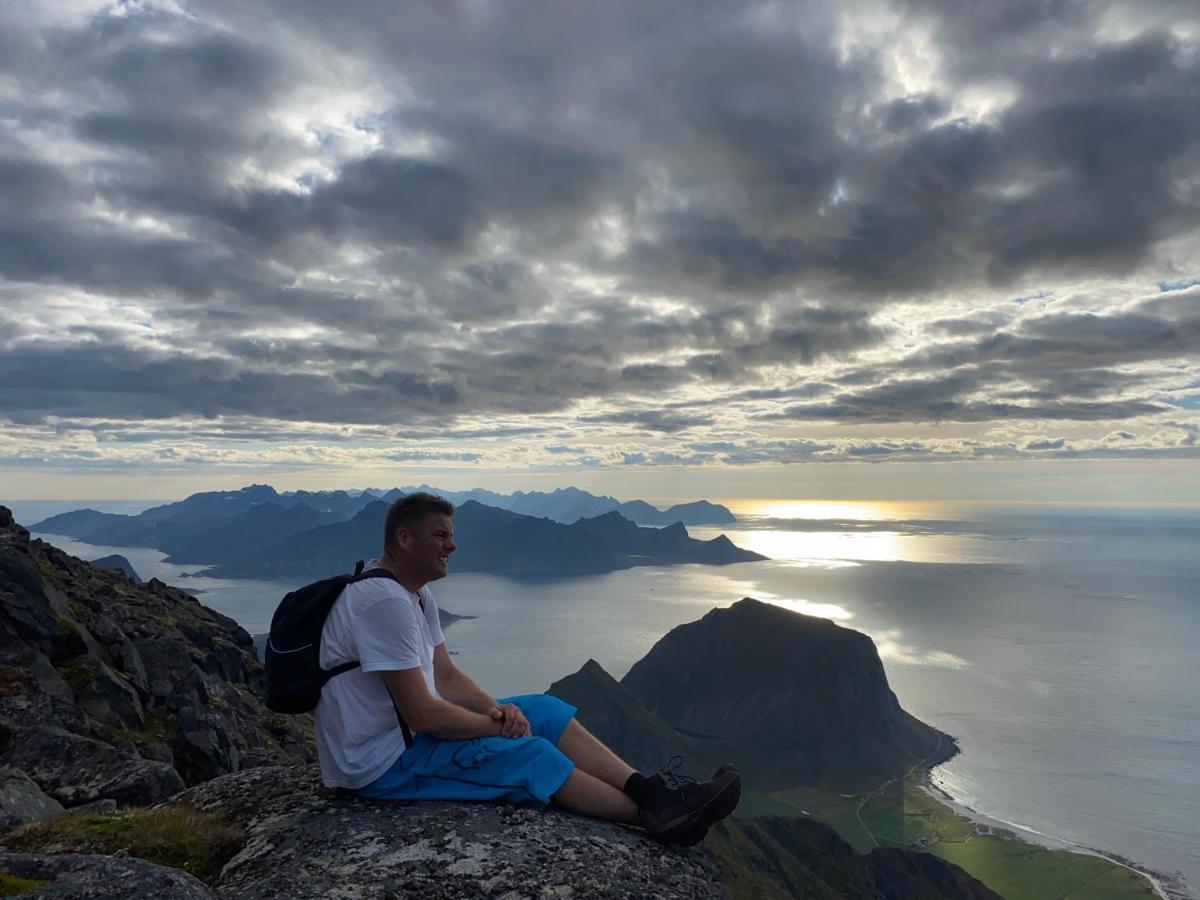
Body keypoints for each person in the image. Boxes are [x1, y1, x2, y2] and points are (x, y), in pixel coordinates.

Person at [314, 491, 740, 844]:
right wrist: (496, 728)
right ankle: (661, 819)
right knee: (530, 754)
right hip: (381, 765)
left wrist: (498, 711)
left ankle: (653, 792)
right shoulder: (383, 602)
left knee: (545, 710)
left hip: (403, 741)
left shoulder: (414, 594)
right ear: (404, 539)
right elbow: (422, 714)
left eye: (451, 535)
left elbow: (445, 676)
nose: (452, 545)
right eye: (440, 535)